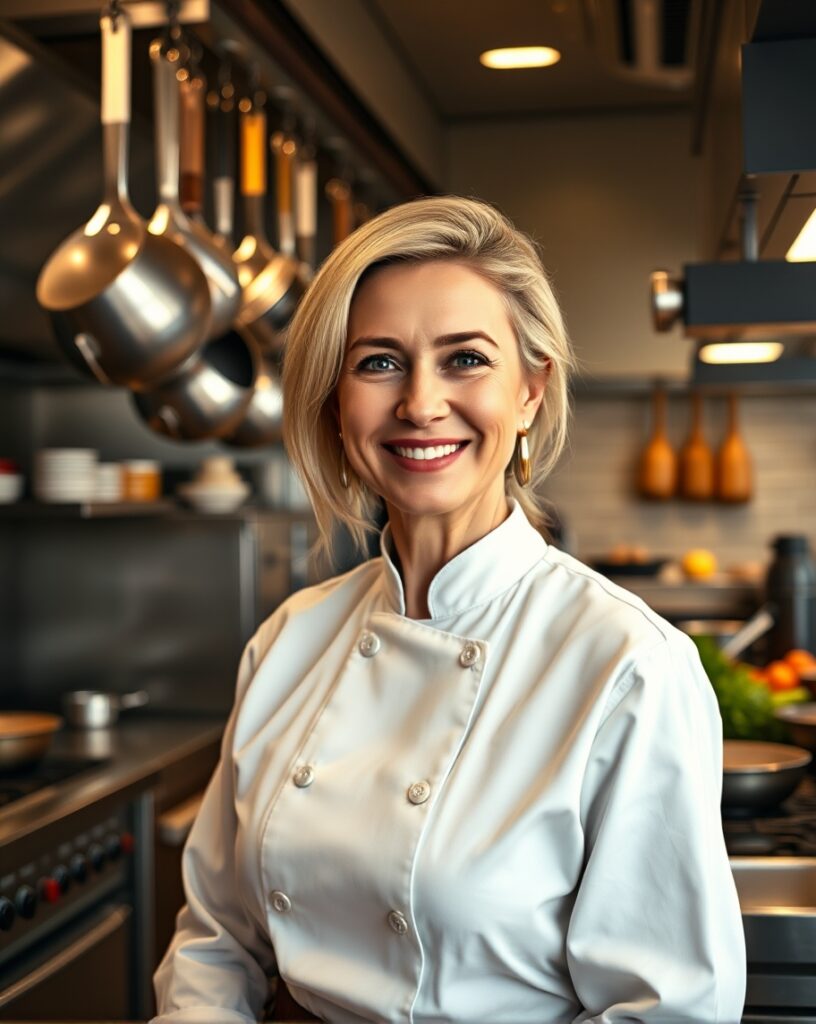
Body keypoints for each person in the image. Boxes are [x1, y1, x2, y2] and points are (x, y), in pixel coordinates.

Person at [152, 196, 746, 1023]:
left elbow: (667, 1010)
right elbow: (216, 941)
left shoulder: (627, 665)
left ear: (531, 391)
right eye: (378, 363)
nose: (421, 404)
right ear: (335, 402)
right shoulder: (289, 641)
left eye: (465, 359)